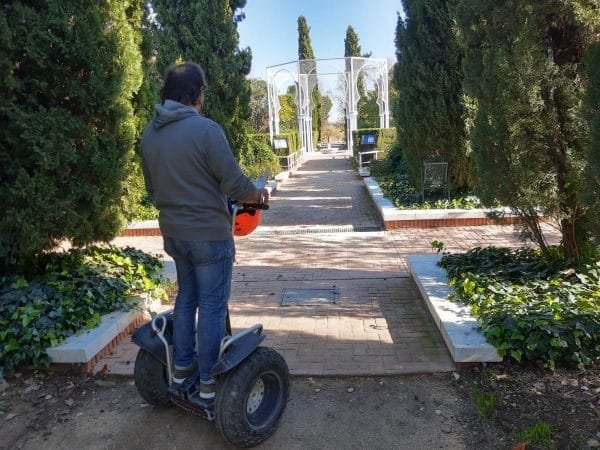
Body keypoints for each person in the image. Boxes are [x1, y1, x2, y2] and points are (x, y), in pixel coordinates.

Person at [140, 62, 268, 403]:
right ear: (196, 93)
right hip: (210, 236)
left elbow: (152, 188)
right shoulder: (206, 130)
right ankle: (209, 380)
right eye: (204, 91)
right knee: (212, 304)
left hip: (174, 234)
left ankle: (182, 368)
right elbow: (234, 183)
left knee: (186, 298)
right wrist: (259, 195)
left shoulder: (149, 134)